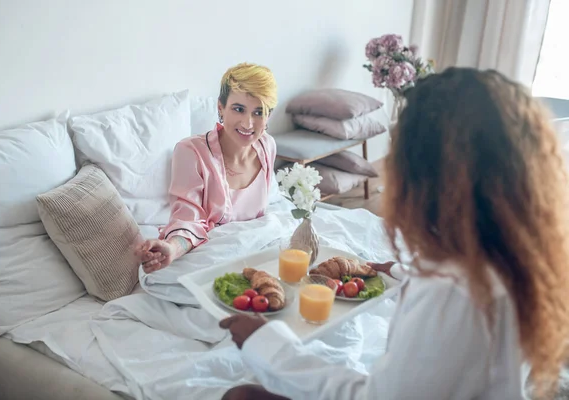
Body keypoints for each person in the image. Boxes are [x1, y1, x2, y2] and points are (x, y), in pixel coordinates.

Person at [218, 67, 569, 400]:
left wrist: (267, 345)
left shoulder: (452, 291)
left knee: (240, 395)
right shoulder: (519, 254)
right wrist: (400, 272)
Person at [136, 63, 278, 273]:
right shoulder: (190, 151)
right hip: (211, 256)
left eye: (259, 112)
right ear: (221, 108)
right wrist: (173, 248)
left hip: (254, 253)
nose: (248, 123)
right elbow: (187, 216)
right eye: (239, 109)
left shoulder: (267, 146)